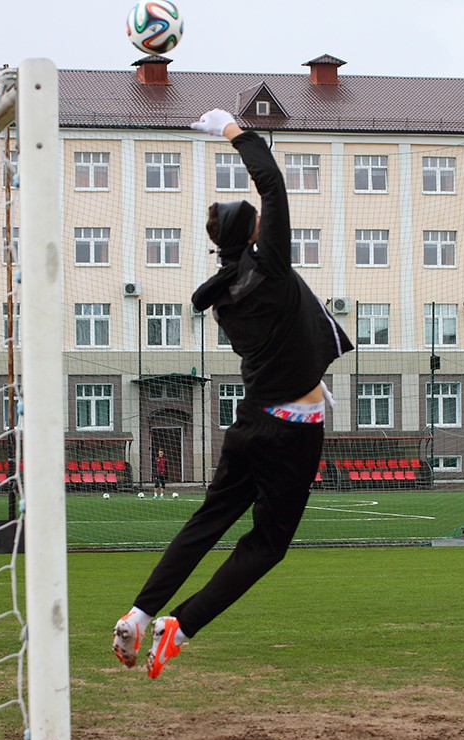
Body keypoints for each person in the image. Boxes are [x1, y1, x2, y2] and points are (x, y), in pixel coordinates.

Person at [113, 109, 353, 679]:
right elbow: (271, 181)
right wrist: (232, 129)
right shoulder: (269, 268)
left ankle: (141, 613)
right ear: (254, 234)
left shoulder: (224, 293)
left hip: (249, 423)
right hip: (292, 432)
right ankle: (182, 624)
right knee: (267, 545)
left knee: (206, 521)